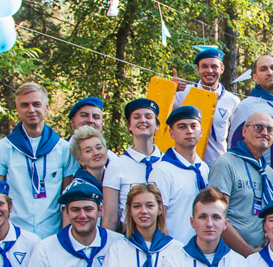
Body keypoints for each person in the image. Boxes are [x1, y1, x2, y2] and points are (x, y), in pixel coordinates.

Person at [0, 83, 70, 238]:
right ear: (17, 109)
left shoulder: (63, 148)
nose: (31, 110)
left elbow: (67, 198)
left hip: (52, 234)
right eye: (24, 105)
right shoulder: (3, 148)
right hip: (15, 235)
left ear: (46, 107)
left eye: (36, 104)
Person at [209, 110, 273, 254]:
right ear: (244, 131)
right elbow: (217, 216)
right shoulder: (225, 163)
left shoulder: (268, 172)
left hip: (260, 254)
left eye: (270, 129)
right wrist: (247, 252)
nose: (264, 132)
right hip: (226, 254)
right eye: (258, 127)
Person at [102, 97, 165, 229]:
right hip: (129, 238)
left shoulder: (168, 163)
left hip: (166, 240)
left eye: (148, 116)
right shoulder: (116, 166)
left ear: (157, 125)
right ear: (129, 126)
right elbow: (110, 218)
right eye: (136, 117)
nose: (143, 120)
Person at [151, 105, 207, 246]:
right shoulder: (162, 171)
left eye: (193, 126)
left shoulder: (204, 168)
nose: (189, 131)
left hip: (202, 251)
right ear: (171, 133)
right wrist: (172, 252)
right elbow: (157, 220)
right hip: (173, 253)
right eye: (182, 127)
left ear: (201, 131)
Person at [180, 46, 241, 167]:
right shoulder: (183, 93)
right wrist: (170, 90)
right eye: (204, 66)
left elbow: (235, 138)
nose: (209, 71)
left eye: (214, 66)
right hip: (185, 163)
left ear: (222, 69)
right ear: (197, 69)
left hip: (217, 164)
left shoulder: (232, 100)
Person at [227, 55, 273, 152]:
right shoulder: (246, 106)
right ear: (255, 77)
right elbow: (234, 145)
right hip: (260, 165)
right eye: (263, 69)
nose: (269, 72)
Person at [60, 97, 105, 181]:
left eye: (95, 117)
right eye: (84, 115)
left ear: (102, 125)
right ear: (72, 121)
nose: (90, 120)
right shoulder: (61, 152)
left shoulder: (111, 158)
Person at [67, 126, 110, 191]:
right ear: (80, 160)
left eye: (99, 147)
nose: (96, 153)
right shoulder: (78, 189)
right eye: (88, 151)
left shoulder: (113, 177)